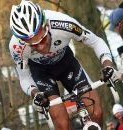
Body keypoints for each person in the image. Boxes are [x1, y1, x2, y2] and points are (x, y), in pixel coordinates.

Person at [9, 1, 116, 129]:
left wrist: (108, 65)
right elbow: (25, 78)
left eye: (42, 39)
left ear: (46, 25)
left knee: (97, 113)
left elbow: (96, 42)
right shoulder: (16, 46)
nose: (41, 47)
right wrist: (36, 94)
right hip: (41, 72)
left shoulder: (63, 23)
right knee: (62, 124)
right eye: (33, 45)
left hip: (66, 63)